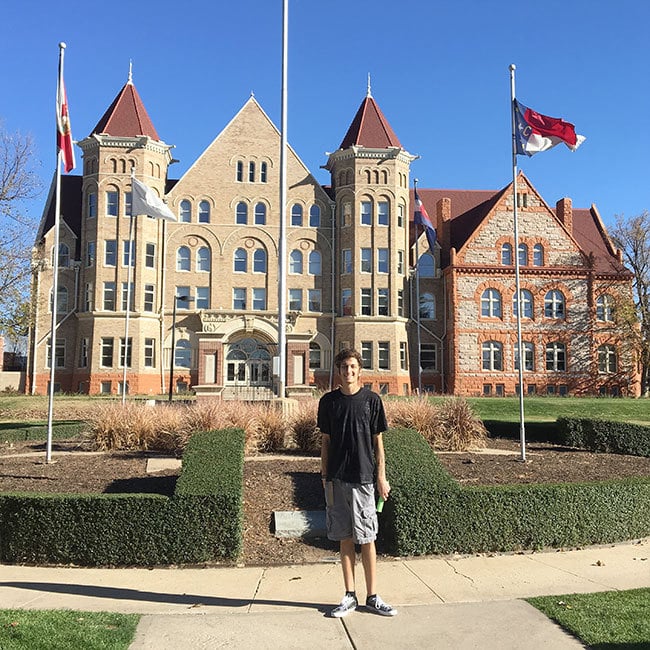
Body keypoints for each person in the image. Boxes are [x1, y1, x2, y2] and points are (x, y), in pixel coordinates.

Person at [318, 348, 397, 618]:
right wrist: (324, 475)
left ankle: (372, 596)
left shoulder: (372, 401)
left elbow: (379, 443)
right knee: (345, 537)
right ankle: (349, 595)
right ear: (338, 371)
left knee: (368, 538)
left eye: (352, 367)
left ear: (359, 370)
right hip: (337, 478)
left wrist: (381, 477)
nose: (348, 371)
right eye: (343, 367)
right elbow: (326, 442)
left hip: (364, 478)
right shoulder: (328, 402)